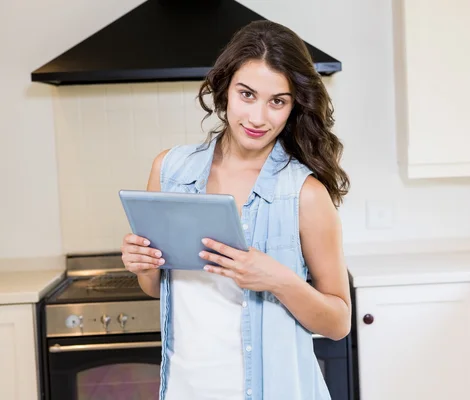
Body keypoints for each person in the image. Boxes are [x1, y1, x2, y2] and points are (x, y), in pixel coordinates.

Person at [120, 20, 351, 400]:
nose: (258, 117)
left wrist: (278, 279)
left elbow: (339, 322)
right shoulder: (170, 170)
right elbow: (154, 287)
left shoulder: (303, 193)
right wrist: (142, 263)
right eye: (247, 95)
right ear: (225, 89)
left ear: (293, 106)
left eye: (277, 101)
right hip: (185, 389)